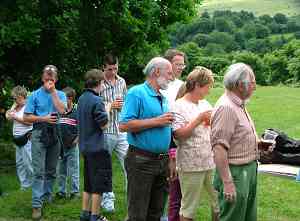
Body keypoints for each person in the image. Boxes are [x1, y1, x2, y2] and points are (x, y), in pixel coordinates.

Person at [119, 57, 174, 221]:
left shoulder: (162, 97)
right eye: (169, 73)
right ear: (157, 71)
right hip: (141, 161)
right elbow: (124, 124)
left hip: (162, 161)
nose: (172, 77)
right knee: (137, 213)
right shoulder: (137, 93)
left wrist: (171, 157)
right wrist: (157, 121)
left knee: (156, 213)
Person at [211, 63, 259, 221]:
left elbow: (237, 136)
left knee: (247, 216)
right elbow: (219, 148)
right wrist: (228, 182)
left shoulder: (238, 104)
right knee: (233, 217)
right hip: (235, 172)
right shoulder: (227, 108)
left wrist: (258, 143)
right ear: (240, 85)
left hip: (247, 170)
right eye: (252, 83)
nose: (255, 87)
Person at [171, 67, 219, 221]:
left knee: (219, 202)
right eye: (208, 87)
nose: (209, 91)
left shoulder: (205, 103)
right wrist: (198, 119)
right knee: (189, 207)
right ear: (197, 85)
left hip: (211, 161)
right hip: (191, 164)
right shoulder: (178, 105)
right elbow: (178, 135)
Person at [23, 65, 67, 220]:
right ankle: (36, 205)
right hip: (39, 133)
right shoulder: (34, 95)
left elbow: (63, 110)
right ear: (42, 78)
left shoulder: (60, 94)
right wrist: (44, 118)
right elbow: (26, 117)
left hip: (55, 132)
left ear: (56, 79)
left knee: (51, 169)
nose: (49, 81)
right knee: (38, 171)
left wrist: (53, 92)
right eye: (47, 78)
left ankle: (46, 196)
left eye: (52, 78)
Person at [78, 69, 111, 221]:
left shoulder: (82, 98)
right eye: (103, 82)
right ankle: (95, 216)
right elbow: (104, 125)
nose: (104, 84)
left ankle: (85, 214)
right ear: (99, 82)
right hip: (97, 148)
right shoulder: (97, 100)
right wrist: (108, 109)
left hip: (85, 147)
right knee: (98, 184)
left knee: (89, 182)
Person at [99, 53, 128, 212]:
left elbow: (125, 102)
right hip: (106, 130)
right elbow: (95, 106)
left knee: (129, 164)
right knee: (105, 167)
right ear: (103, 67)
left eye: (115, 68)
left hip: (121, 129)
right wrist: (110, 104)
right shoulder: (99, 82)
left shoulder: (122, 81)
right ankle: (107, 200)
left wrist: (122, 105)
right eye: (110, 69)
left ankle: (132, 196)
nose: (113, 72)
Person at [161, 49, 186, 221]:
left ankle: (171, 213)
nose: (181, 68)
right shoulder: (160, 85)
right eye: (178, 64)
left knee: (174, 178)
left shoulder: (182, 84)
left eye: (182, 64)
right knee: (162, 176)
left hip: (176, 133)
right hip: (161, 132)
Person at [6, 86, 33, 190]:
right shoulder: (16, 106)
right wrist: (13, 107)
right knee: (20, 164)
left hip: (26, 138)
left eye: (15, 98)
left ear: (22, 96)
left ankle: (35, 185)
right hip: (17, 139)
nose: (14, 100)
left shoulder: (28, 107)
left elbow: (29, 122)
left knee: (29, 163)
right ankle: (24, 186)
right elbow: (8, 117)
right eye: (13, 98)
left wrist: (16, 117)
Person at [56, 87, 80, 199]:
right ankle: (61, 191)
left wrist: (77, 139)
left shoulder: (76, 113)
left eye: (63, 99)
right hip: (60, 147)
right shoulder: (58, 114)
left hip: (72, 146)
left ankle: (75, 192)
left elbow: (82, 129)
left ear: (70, 99)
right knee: (61, 170)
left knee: (73, 170)